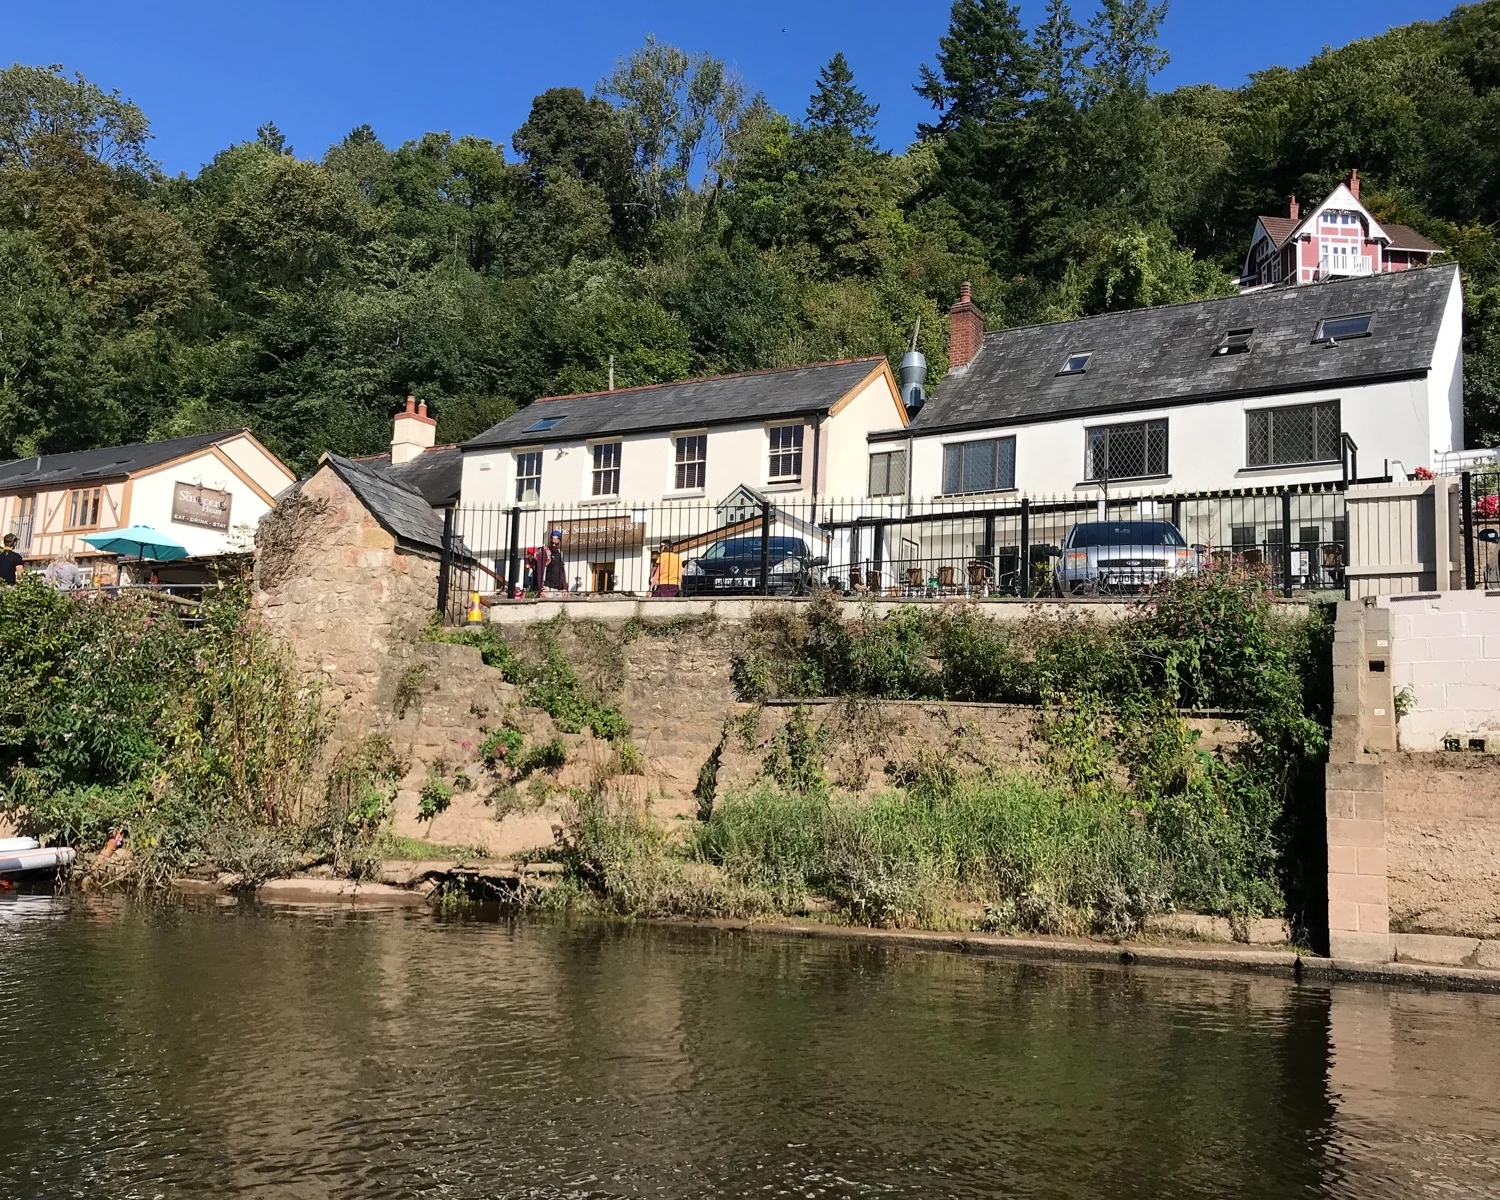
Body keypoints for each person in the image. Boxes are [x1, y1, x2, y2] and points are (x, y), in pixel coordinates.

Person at [538, 529, 568, 596]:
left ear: (560, 542)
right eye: (552, 543)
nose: (554, 545)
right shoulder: (545, 552)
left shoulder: (560, 553)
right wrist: (541, 588)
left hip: (559, 589)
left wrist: (565, 588)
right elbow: (540, 571)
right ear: (550, 540)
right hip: (547, 588)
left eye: (556, 544)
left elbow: (562, 571)